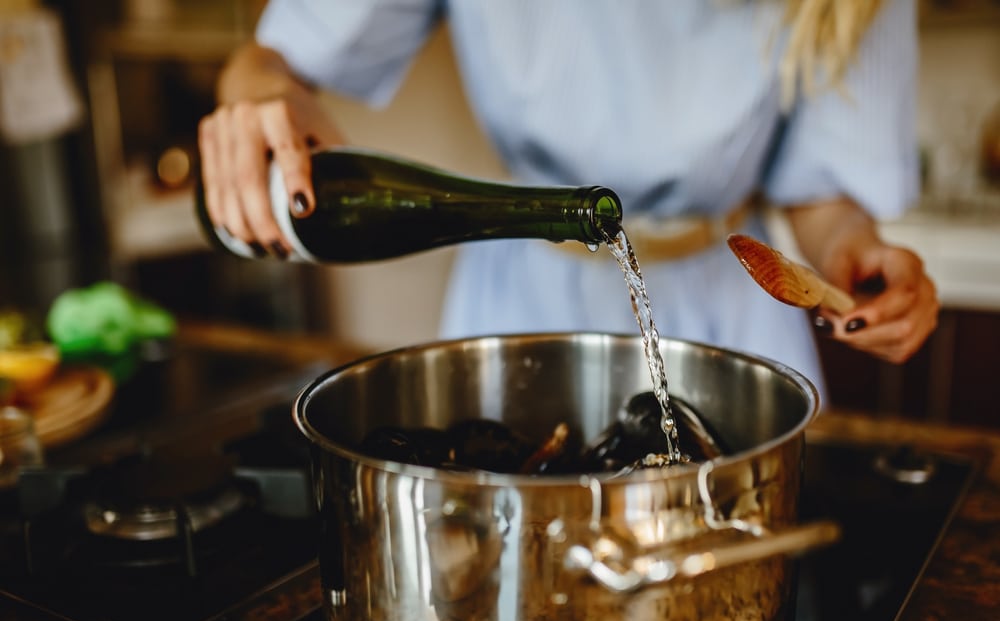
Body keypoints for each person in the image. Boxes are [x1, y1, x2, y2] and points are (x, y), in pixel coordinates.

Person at [197, 0, 939, 402]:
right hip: (523, 300)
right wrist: (259, 101)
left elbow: (823, 194)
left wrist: (852, 253)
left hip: (731, 316)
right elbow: (270, 62)